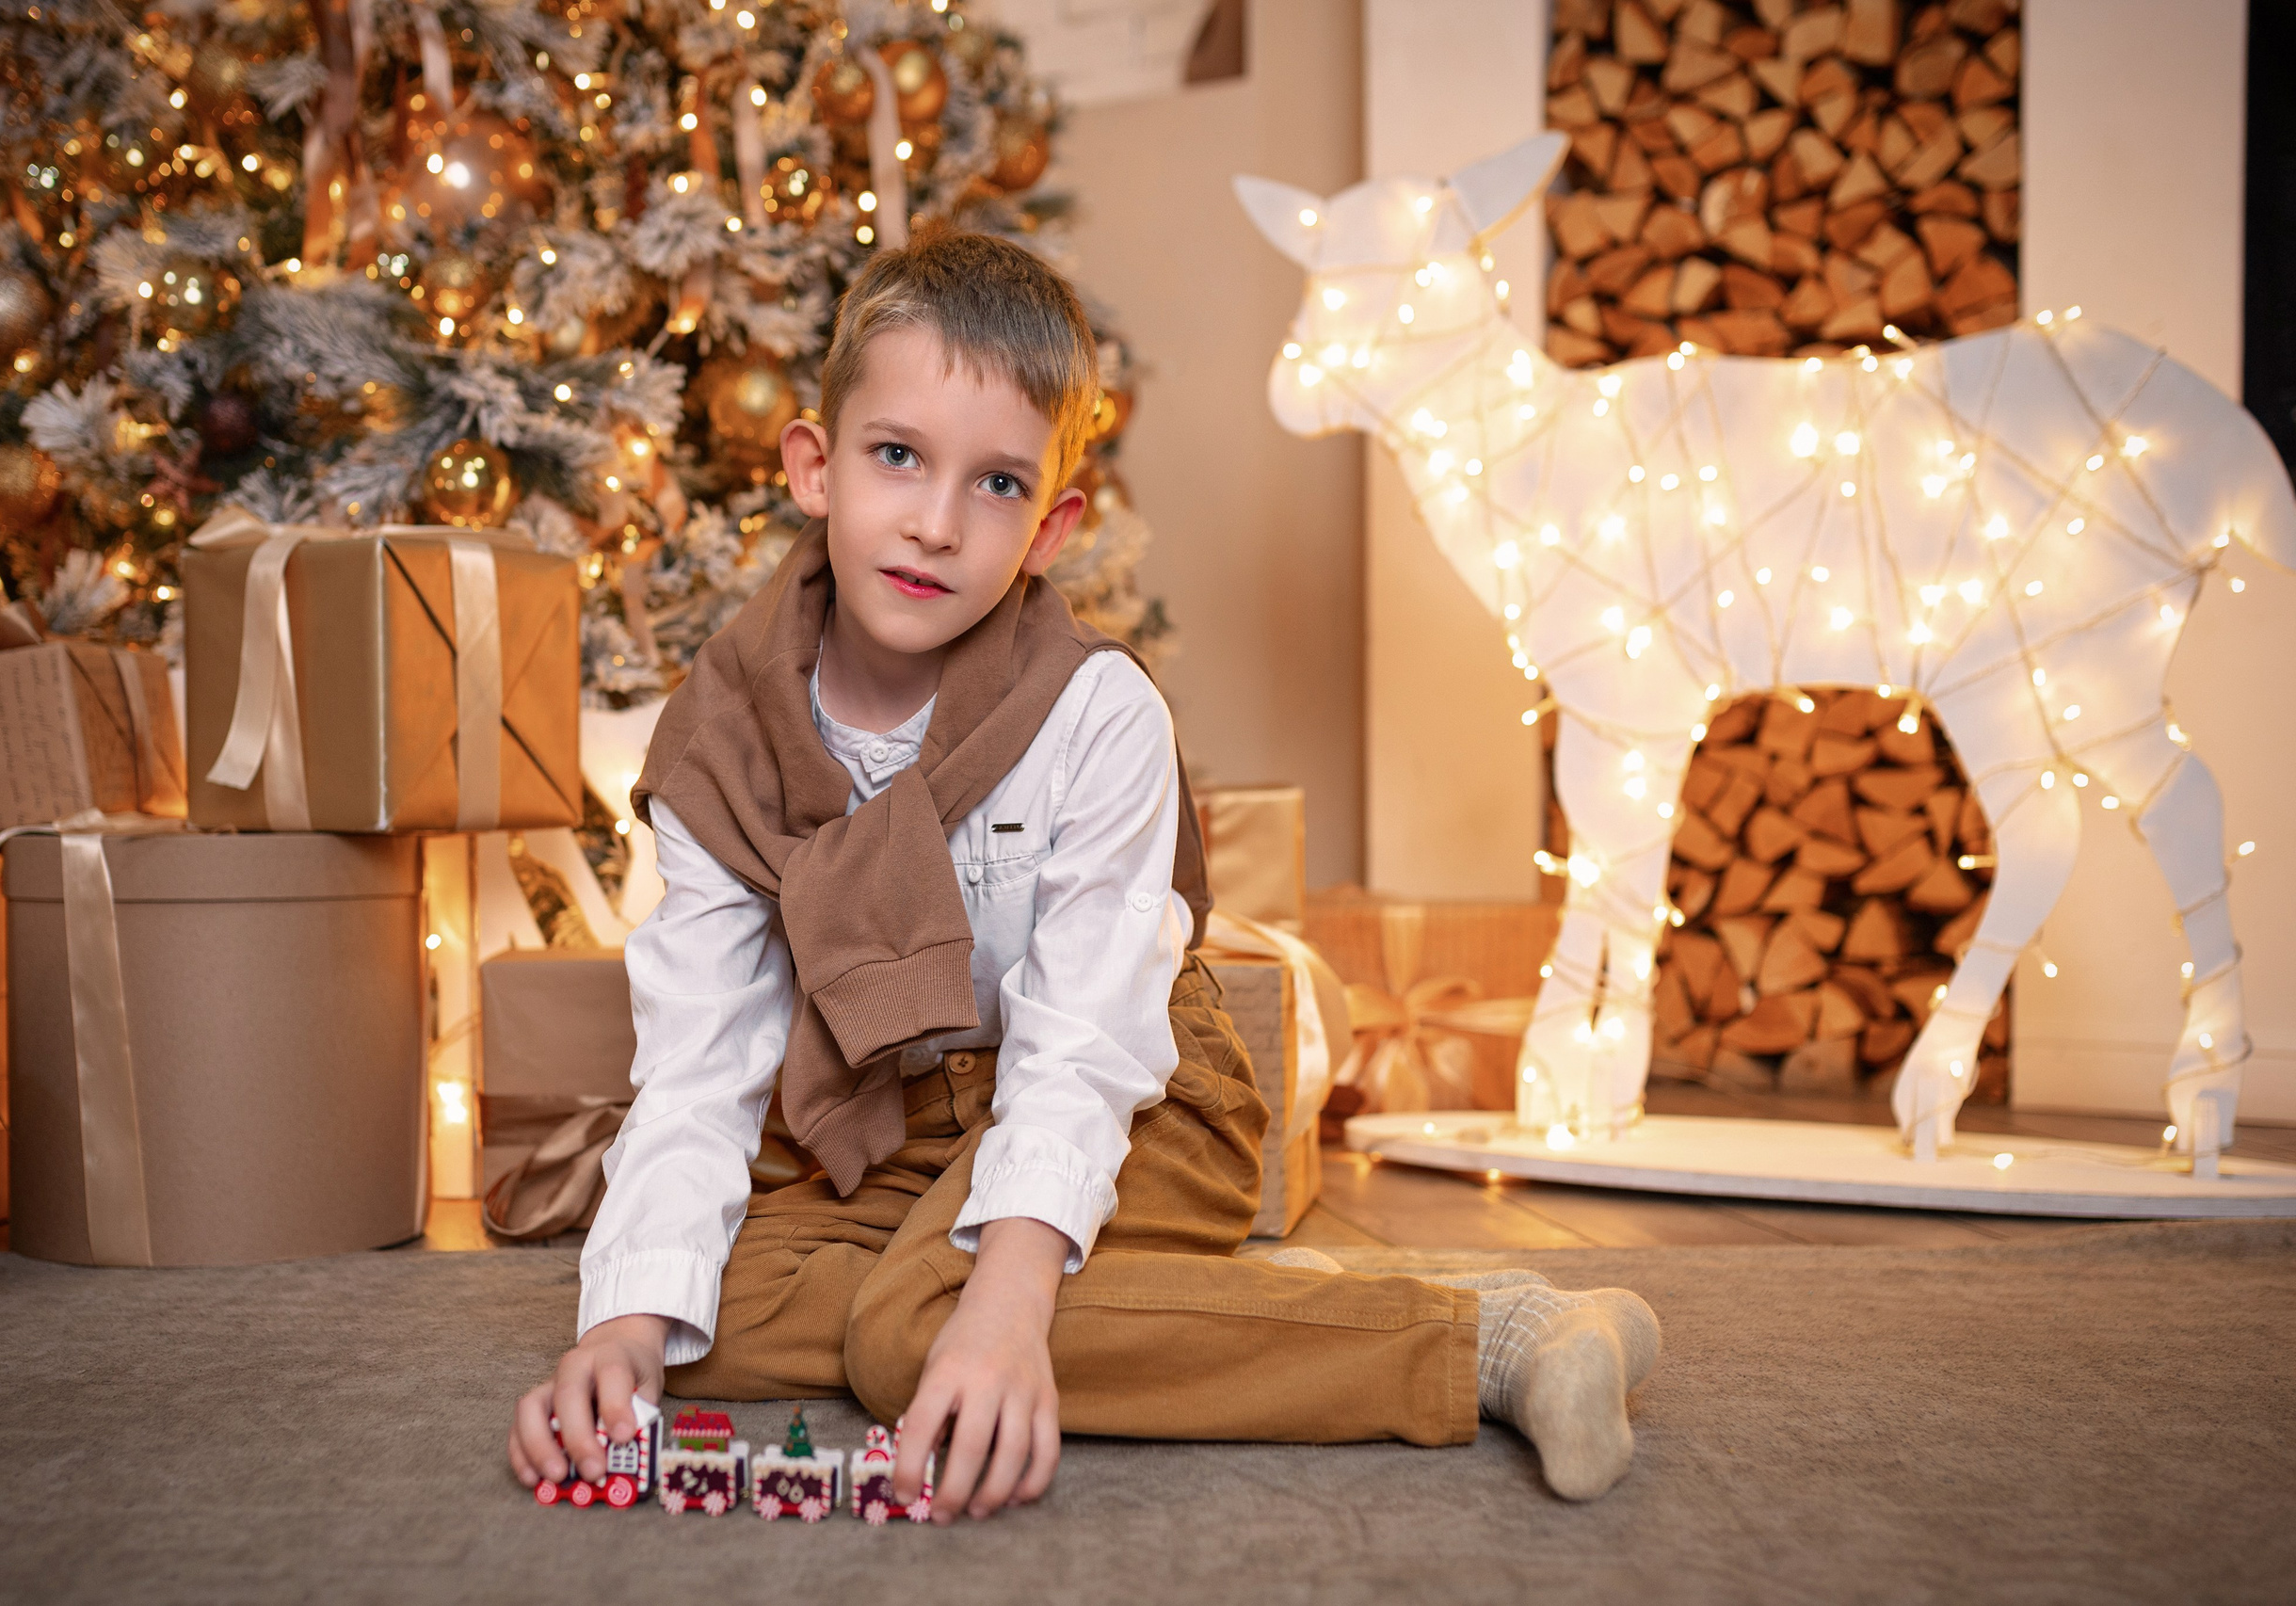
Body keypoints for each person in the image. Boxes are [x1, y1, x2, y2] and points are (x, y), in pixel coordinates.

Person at [507, 225, 1662, 1515]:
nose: (937, 524)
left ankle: (1488, 1337)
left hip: (1142, 1087)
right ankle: (1187, 1311)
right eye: (898, 457)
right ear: (813, 469)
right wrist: (617, 1333)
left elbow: (1081, 1047)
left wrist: (999, 1305)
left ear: (1051, 526)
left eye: (995, 484)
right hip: (891, 1118)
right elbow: (701, 1064)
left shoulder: (1095, 711)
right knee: (694, 1313)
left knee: (907, 1337)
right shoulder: (720, 736)